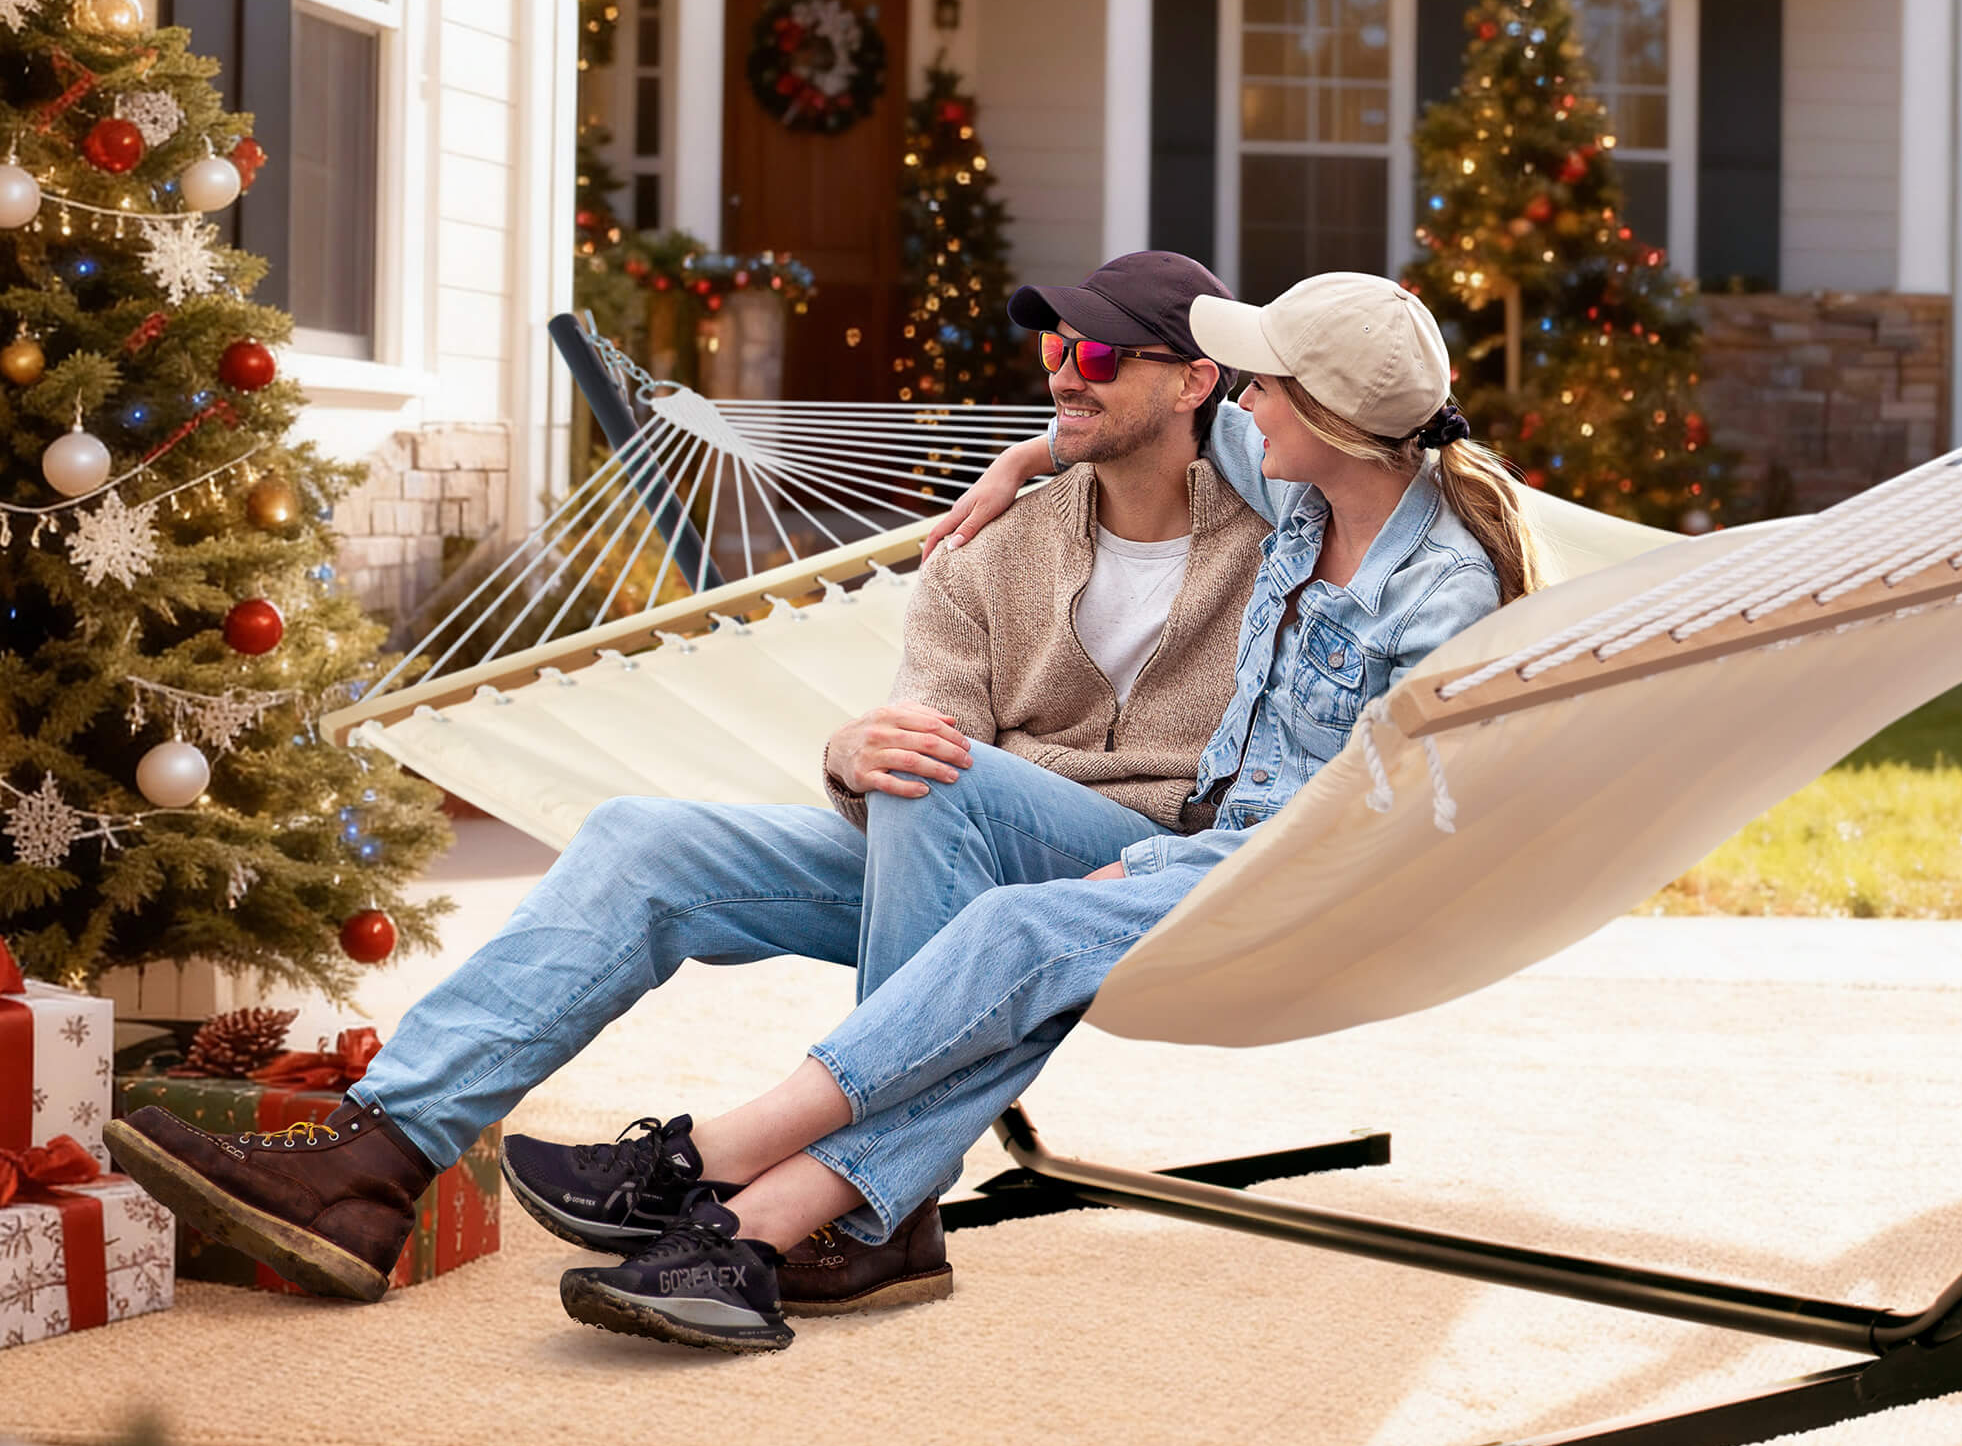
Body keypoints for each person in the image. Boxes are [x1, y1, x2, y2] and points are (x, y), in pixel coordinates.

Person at [105, 252, 1272, 1311]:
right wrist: (846, 756)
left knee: (940, 777)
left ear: (1196, 382)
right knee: (645, 836)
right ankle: (378, 1158)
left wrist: (1024, 456)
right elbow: (930, 735)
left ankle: (871, 1201)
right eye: (1055, 350)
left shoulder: (1282, 525)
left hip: (1162, 875)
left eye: (1105, 355)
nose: (1067, 375)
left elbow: (1382, 450)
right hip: (967, 847)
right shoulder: (988, 546)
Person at [548, 270, 1547, 1353]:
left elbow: (1374, 820)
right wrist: (1024, 461)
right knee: (970, 846)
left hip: (1299, 888)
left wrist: (1159, 875)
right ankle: (756, 1233)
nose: (1243, 401)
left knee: (1015, 930)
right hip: (1214, 846)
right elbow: (1139, 436)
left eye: (1263, 383)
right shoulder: (1303, 492)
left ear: (1329, 417)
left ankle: (712, 1162)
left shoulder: (1440, 590)